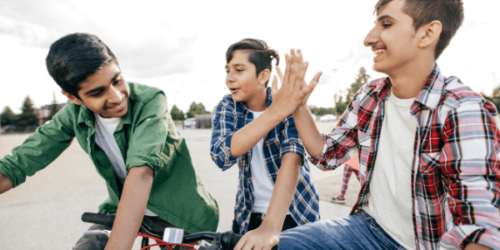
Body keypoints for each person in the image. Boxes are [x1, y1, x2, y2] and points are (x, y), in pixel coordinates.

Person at [276, 0, 500, 249]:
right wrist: (299, 106)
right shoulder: (371, 94)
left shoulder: (462, 109)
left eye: (386, 24)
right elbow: (328, 155)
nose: (369, 39)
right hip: (366, 227)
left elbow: (479, 227)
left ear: (428, 33)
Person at [0, 33, 219, 250]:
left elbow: (141, 172)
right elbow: (19, 163)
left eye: (117, 80)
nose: (116, 96)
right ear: (73, 98)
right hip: (120, 208)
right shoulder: (72, 114)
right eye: (97, 92)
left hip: (177, 211)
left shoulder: (150, 100)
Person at [210, 38, 321, 250]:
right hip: (247, 214)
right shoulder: (228, 107)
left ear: (263, 76)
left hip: (294, 212)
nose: (230, 79)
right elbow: (222, 156)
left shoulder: (287, 100)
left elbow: (293, 159)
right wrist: (275, 112)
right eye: (227, 71)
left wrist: (271, 225)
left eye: (239, 70)